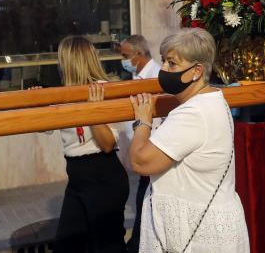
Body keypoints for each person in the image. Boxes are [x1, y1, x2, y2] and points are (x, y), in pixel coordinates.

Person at [130, 29, 250, 253]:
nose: (164, 70)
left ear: (197, 71)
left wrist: (143, 122)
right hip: (210, 226)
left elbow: (140, 162)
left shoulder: (193, 114)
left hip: (198, 236)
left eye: (172, 64)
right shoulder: (212, 99)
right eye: (164, 61)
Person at [52, 36, 128, 252]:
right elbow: (42, 127)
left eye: (61, 59)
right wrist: (35, 100)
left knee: (107, 247)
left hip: (103, 174)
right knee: (67, 246)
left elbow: (106, 144)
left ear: (69, 61)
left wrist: (93, 112)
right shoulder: (63, 93)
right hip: (77, 179)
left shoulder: (104, 90)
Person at [120, 34, 160, 252]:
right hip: (141, 151)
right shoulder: (138, 77)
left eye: (125, 56)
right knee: (143, 207)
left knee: (144, 206)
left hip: (151, 152)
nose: (123, 61)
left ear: (138, 54)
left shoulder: (156, 76)